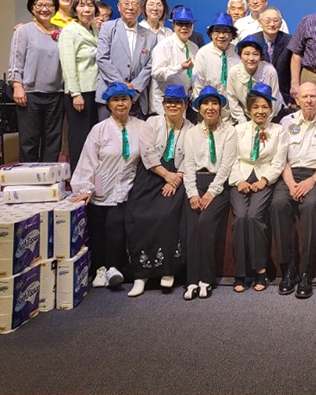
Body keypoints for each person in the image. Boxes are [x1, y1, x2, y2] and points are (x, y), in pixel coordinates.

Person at [71, 82, 146, 289]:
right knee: (98, 224)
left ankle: (113, 267)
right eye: (115, 100)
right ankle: (100, 268)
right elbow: (88, 160)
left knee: (115, 222)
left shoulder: (141, 127)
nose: (121, 104)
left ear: (131, 102)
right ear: (108, 105)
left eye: (124, 99)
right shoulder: (99, 130)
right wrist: (85, 189)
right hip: (101, 181)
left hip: (127, 185)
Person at [125, 85, 194, 297]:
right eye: (169, 102)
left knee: (166, 215)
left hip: (177, 177)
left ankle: (167, 270)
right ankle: (140, 274)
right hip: (152, 174)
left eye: (178, 102)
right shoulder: (151, 123)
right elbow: (147, 153)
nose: (173, 106)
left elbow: (190, 158)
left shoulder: (191, 127)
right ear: (163, 105)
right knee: (138, 214)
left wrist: (175, 178)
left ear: (185, 105)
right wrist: (166, 176)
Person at [271, 82, 316, 299]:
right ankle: (288, 269)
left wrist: (312, 181)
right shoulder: (285, 122)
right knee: (278, 204)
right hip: (290, 175)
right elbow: (281, 159)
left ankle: (307, 272)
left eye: (313, 96)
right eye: (304, 97)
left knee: (310, 206)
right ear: (297, 100)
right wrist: (291, 185)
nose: (308, 100)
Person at [228, 83, 288, 293]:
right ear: (248, 110)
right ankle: (240, 272)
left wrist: (265, 180)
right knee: (240, 218)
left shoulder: (279, 131)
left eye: (264, 107)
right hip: (241, 178)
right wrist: (238, 181)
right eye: (256, 107)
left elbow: (279, 162)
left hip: (264, 178)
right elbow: (231, 159)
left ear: (271, 109)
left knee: (254, 216)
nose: (260, 111)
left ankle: (260, 270)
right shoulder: (238, 130)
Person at [182, 86, 238, 300]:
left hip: (218, 185)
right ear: (199, 108)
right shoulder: (192, 133)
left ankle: (206, 279)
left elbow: (226, 166)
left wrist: (211, 193)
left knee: (205, 223)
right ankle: (191, 282)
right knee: (192, 227)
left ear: (220, 107)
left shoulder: (229, 131)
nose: (210, 107)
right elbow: (188, 166)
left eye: (214, 103)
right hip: (196, 183)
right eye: (205, 103)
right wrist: (192, 194)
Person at [8, 0, 64, 162]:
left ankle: (49, 181)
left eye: (49, 5)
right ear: (32, 8)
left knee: (53, 141)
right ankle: (28, 183)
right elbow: (16, 60)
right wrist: (17, 86)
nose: (44, 9)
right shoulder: (23, 31)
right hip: (30, 95)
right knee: (29, 140)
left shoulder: (63, 32)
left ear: (55, 8)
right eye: (39, 5)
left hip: (56, 94)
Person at [96, 0, 157, 119]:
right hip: (110, 94)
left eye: (135, 4)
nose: (130, 7)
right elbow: (102, 58)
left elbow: (151, 65)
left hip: (137, 98)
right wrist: (122, 85)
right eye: (126, 3)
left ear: (140, 8)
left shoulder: (150, 36)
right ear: (119, 6)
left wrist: (135, 86)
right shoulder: (107, 28)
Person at [59, 0, 100, 170]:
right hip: (80, 92)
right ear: (75, 9)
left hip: (95, 90)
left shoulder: (95, 29)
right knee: (79, 137)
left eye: (90, 5)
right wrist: (75, 93)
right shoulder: (69, 31)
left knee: (93, 136)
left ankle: (91, 175)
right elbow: (68, 65)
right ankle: (78, 174)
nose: (87, 9)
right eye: (82, 5)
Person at [150, 6, 199, 117]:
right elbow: (156, 74)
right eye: (180, 24)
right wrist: (179, 67)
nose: (184, 28)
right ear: (173, 25)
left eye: (188, 24)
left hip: (184, 104)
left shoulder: (194, 47)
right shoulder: (163, 46)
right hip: (164, 105)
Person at [192, 12, 241, 122]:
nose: (221, 36)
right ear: (211, 34)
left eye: (226, 32)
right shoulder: (203, 53)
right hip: (209, 111)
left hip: (235, 112)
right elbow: (197, 84)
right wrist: (202, 110)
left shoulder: (238, 52)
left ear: (232, 34)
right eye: (217, 31)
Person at [227, 36, 283, 124]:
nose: (251, 58)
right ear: (240, 56)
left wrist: (265, 121)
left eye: (256, 54)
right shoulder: (233, 72)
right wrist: (243, 122)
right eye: (246, 54)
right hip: (244, 117)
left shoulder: (269, 70)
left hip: (269, 116)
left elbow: (274, 99)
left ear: (260, 56)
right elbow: (232, 99)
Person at [252, 7, 293, 109]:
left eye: (276, 20)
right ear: (260, 23)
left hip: (284, 96)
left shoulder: (290, 41)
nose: (272, 24)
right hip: (257, 95)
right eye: (268, 21)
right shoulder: (252, 41)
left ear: (280, 23)